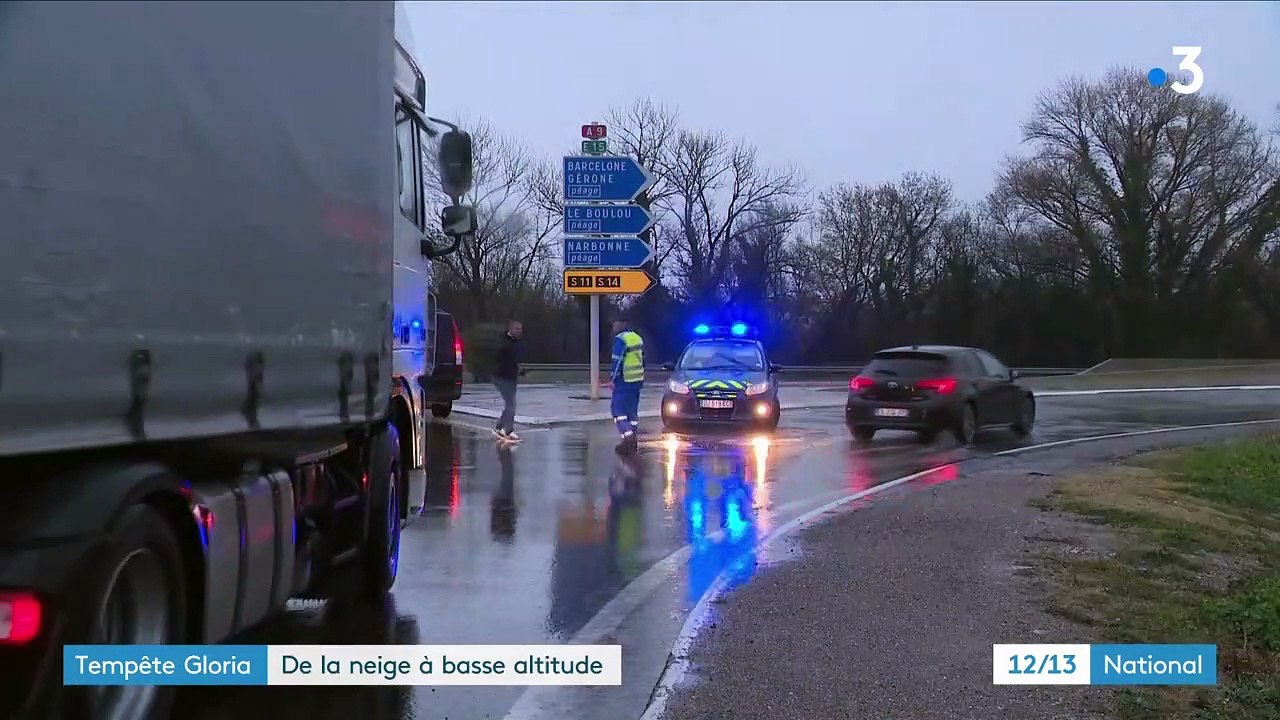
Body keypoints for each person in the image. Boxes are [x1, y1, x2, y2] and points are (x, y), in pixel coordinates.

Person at [608, 317, 645, 454]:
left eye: (615, 323)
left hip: (624, 381)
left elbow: (617, 361)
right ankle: (633, 438)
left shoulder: (620, 340)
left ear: (621, 324)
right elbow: (643, 359)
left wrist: (612, 379)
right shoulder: (637, 338)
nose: (613, 326)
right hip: (637, 380)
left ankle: (628, 439)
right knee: (632, 412)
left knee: (618, 411)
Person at [492, 319, 523, 442]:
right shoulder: (504, 343)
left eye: (521, 329)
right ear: (511, 329)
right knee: (511, 404)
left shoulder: (514, 342)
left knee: (510, 404)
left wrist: (519, 370)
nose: (520, 332)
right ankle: (508, 431)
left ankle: (500, 426)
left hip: (510, 377)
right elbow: (503, 361)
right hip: (502, 377)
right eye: (517, 329)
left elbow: (513, 361)